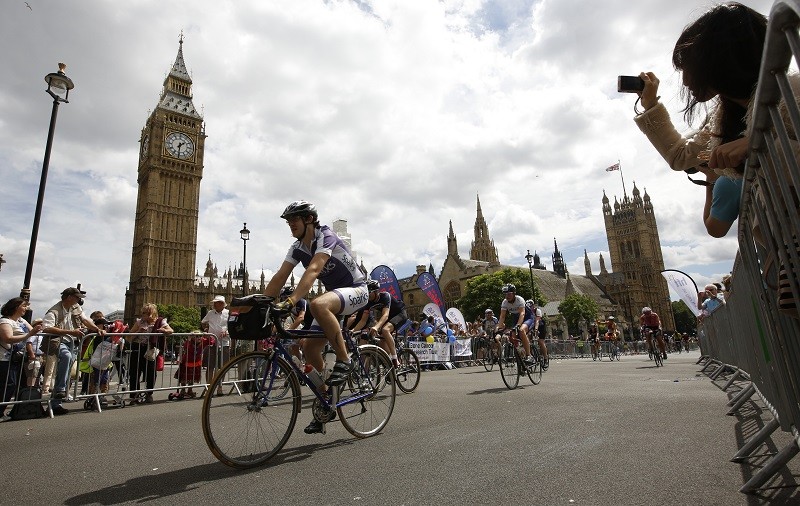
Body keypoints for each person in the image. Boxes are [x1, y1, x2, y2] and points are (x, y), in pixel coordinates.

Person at [632, 2, 769, 237]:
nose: (685, 81)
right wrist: (651, 105)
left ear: (716, 61)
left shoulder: (791, 92)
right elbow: (680, 156)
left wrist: (755, 143)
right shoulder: (721, 120)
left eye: (688, 68)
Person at [264, 200, 369, 435]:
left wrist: (291, 301)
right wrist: (260, 304)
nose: (290, 224)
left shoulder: (326, 236)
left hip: (357, 289)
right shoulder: (296, 247)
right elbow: (282, 275)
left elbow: (313, 270)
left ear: (309, 219)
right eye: (288, 221)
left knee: (317, 304)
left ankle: (345, 360)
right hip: (335, 297)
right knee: (308, 348)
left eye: (294, 220)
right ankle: (326, 401)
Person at [41, 287, 105, 416]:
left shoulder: (76, 308)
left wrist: (96, 329)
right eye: (77, 297)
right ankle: (61, 389)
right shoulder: (54, 311)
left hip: (73, 343)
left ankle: (55, 404)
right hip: (58, 342)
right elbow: (46, 328)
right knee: (66, 357)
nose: (79, 300)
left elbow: (85, 320)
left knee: (66, 372)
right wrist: (70, 332)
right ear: (69, 297)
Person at [0, 298, 43, 419]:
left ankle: (15, 410)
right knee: (8, 384)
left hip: (18, 358)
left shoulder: (21, 321)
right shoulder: (5, 321)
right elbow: (7, 337)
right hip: (4, 358)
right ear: (15, 307)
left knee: (16, 384)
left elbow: (35, 331)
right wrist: (29, 334)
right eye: (24, 306)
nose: (26, 308)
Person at [128, 303, 172, 403]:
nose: (142, 315)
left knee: (151, 372)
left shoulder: (160, 321)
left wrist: (163, 330)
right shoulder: (139, 322)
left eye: (145, 313)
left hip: (151, 350)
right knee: (134, 372)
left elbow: (170, 330)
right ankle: (134, 395)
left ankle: (149, 393)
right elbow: (129, 336)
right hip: (138, 348)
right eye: (142, 312)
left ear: (151, 313)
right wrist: (139, 331)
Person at [495, 284, 536, 367]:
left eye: (509, 294)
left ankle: (529, 356)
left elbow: (522, 313)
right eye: (505, 294)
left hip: (527, 317)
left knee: (521, 331)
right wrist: (498, 328)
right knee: (512, 336)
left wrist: (518, 325)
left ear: (514, 293)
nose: (507, 296)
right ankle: (520, 355)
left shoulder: (519, 300)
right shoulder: (505, 302)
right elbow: (502, 317)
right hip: (516, 318)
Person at [201, 295, 229, 396]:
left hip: (224, 343)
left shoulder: (228, 313)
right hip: (211, 342)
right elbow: (203, 322)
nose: (215, 304)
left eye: (217, 303)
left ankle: (220, 387)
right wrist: (206, 329)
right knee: (210, 366)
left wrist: (227, 331)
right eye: (215, 303)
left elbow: (231, 325)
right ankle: (209, 387)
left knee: (222, 367)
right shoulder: (210, 313)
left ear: (222, 304)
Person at [527, 299, 549, 368]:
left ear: (533, 306)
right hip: (532, 326)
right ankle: (530, 357)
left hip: (541, 326)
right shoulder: (527, 312)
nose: (529, 308)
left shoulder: (537, 311)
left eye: (530, 307)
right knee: (528, 341)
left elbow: (537, 321)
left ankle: (545, 359)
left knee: (541, 342)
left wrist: (536, 329)